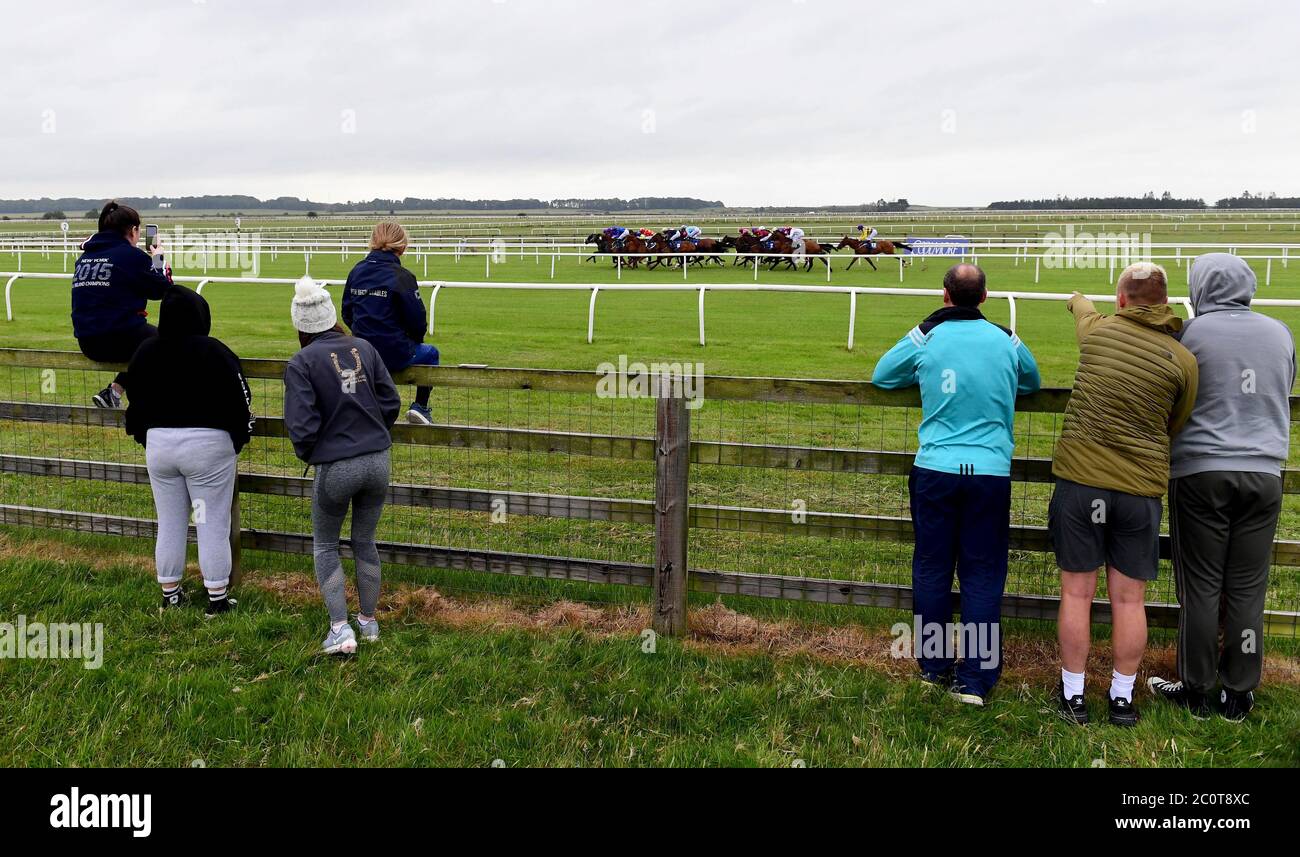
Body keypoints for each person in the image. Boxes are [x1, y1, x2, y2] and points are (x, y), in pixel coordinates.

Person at [873, 264, 1041, 706]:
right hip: (987, 473)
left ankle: (933, 666)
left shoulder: (928, 336)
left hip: (936, 470)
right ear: (985, 296)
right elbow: (1033, 381)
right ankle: (975, 679)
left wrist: (925, 329)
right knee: (982, 573)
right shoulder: (1006, 339)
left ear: (945, 295)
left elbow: (883, 375)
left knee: (932, 567)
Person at [1050, 263, 1198, 728]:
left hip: (1081, 482)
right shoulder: (1183, 360)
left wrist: (1077, 299)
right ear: (1164, 302)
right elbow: (1177, 421)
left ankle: (1073, 694)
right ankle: (1121, 697)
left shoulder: (1097, 333)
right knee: (1129, 600)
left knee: (1077, 592)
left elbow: (1082, 311)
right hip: (1139, 489)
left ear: (1121, 301)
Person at [1149, 254, 1295, 722]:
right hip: (1264, 473)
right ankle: (1239, 691)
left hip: (1201, 472)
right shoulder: (1280, 332)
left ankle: (1196, 687)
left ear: (1200, 288)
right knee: (1248, 587)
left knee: (1201, 587)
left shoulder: (1189, 334)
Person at [286, 277, 401, 657]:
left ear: (300, 325)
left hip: (336, 465)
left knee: (325, 545)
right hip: (378, 459)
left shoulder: (302, 362)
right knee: (365, 541)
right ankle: (368, 621)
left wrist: (315, 453)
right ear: (333, 316)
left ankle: (340, 629)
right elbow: (390, 399)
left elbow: (301, 427)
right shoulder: (364, 347)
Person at [124, 285, 253, 616]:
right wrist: (237, 439)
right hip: (208, 448)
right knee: (210, 521)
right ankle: (217, 599)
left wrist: (146, 436)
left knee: (169, 521)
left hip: (160, 447)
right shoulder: (217, 352)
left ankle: (170, 594)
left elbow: (134, 403)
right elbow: (242, 403)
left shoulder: (145, 352)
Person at [71, 201, 172, 409]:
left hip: (87, 342)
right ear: (134, 230)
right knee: (169, 342)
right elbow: (162, 290)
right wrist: (158, 259)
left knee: (146, 343)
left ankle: (114, 392)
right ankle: (156, 408)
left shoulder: (84, 258)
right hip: (120, 339)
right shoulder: (132, 256)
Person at [342, 221, 439, 426]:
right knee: (431, 353)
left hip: (360, 352)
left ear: (373, 243)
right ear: (402, 247)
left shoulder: (356, 271)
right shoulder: (403, 276)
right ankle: (420, 407)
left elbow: (347, 312)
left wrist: (364, 335)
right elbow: (417, 322)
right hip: (394, 352)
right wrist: (408, 343)